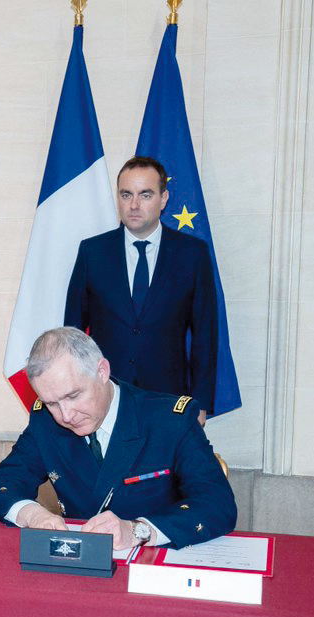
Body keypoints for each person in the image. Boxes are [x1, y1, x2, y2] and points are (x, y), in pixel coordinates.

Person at [0, 327, 235, 550]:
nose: (66, 415)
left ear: (102, 371)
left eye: (73, 396)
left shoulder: (169, 420)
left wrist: (138, 530)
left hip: (153, 568)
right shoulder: (45, 422)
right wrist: (32, 514)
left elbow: (217, 504)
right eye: (51, 403)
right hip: (79, 568)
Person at [64, 155, 217, 423]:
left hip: (168, 400)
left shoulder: (192, 254)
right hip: (105, 397)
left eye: (145, 195)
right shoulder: (92, 253)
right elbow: (73, 333)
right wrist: (74, 393)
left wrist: (200, 403)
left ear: (163, 198)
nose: (134, 205)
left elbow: (205, 335)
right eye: (126, 195)